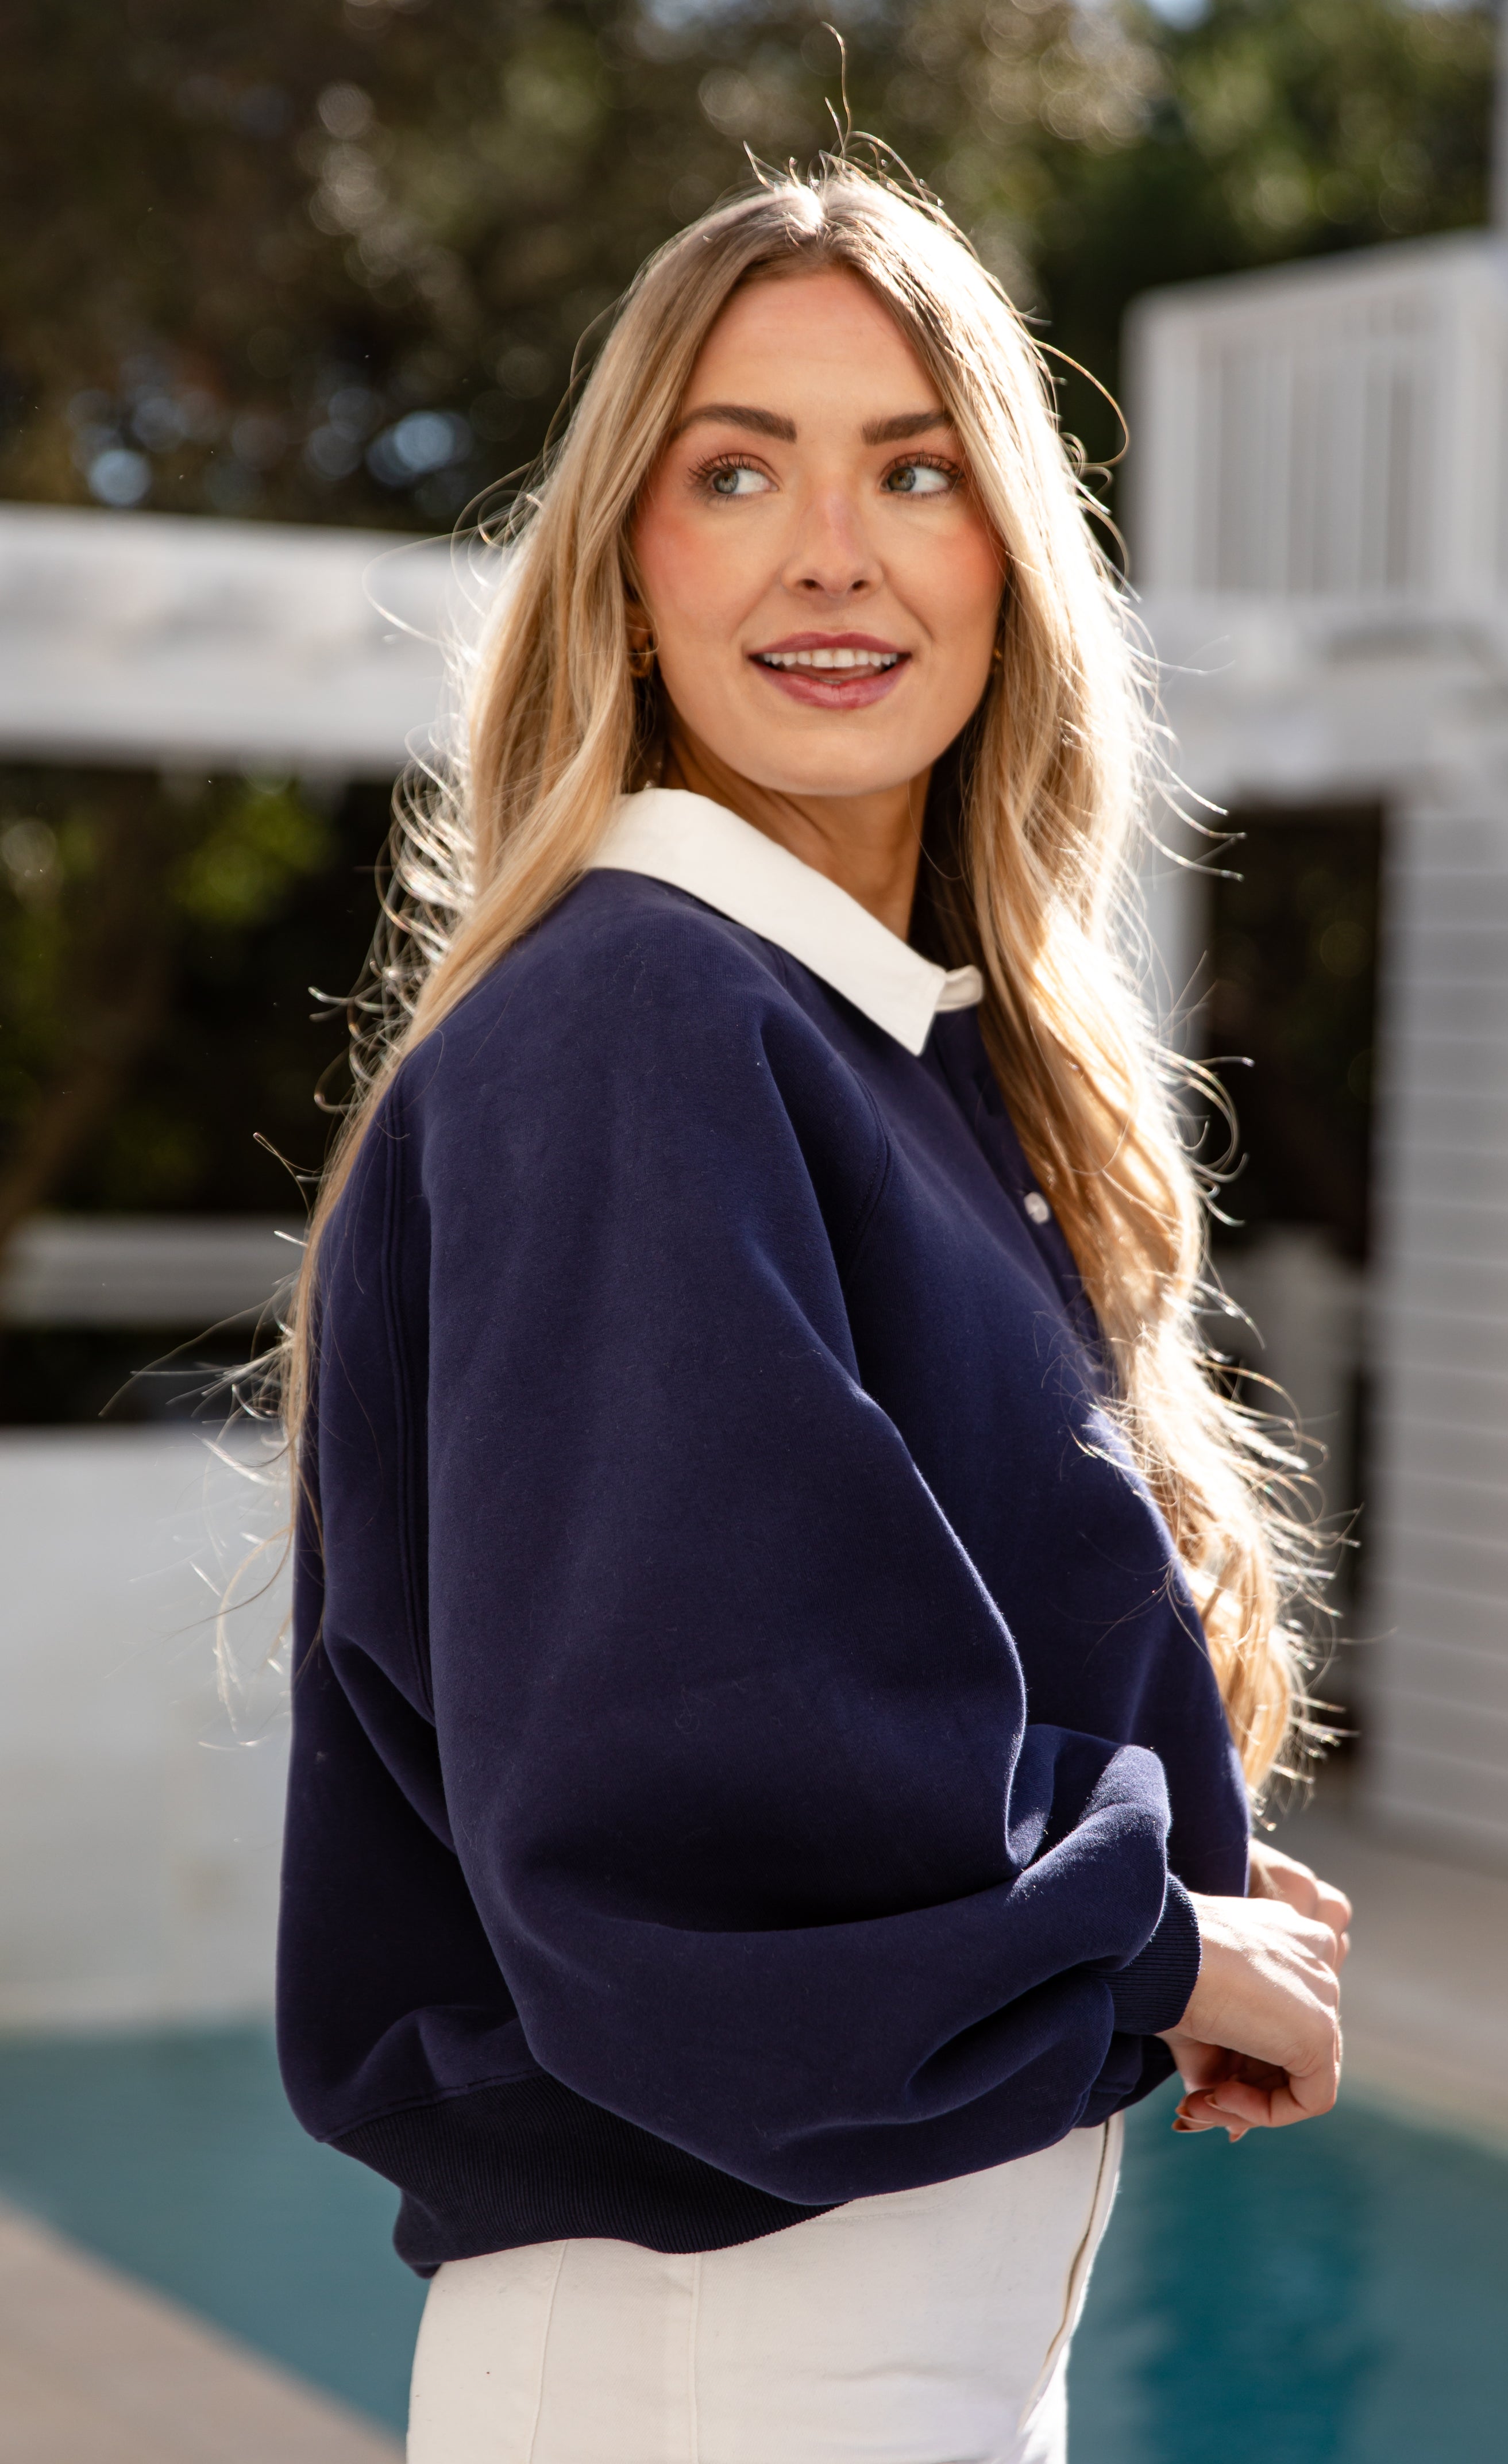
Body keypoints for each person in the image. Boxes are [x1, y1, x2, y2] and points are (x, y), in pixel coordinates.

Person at [275, 162, 1350, 2464]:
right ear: (631, 572)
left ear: (1007, 565)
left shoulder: (870, 1053)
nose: (829, 553)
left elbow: (863, 1685)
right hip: (723, 2355)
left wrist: (1148, 1917)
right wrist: (1147, 1941)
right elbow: (694, 1793)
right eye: (735, 468)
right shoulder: (642, 1020)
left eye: (917, 469)